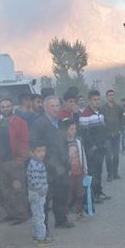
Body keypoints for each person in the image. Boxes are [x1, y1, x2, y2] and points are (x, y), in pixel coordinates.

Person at [31, 96, 74, 229]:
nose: (56, 108)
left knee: (61, 194)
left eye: (57, 105)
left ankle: (60, 220)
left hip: (62, 166)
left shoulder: (61, 123)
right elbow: (34, 145)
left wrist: (67, 159)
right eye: (52, 106)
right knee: (44, 200)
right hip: (46, 168)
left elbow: (64, 142)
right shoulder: (39, 124)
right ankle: (43, 228)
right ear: (45, 108)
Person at [0, 98, 29, 224]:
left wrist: (21, 158)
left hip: (15, 160)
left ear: (12, 107)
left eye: (8, 106)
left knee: (18, 190)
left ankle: (22, 214)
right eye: (3, 106)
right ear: (0, 109)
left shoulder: (20, 122)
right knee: (5, 189)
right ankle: (11, 213)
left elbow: (24, 141)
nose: (5, 108)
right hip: (2, 162)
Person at [79, 90, 110, 203]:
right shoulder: (85, 114)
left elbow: (103, 128)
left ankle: (98, 191)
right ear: (90, 100)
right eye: (94, 100)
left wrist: (104, 142)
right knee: (92, 172)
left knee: (99, 171)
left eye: (98, 99)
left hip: (101, 147)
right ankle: (92, 195)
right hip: (92, 149)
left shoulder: (100, 112)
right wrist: (92, 145)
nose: (97, 102)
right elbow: (84, 132)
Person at [61, 119, 87, 221]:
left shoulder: (78, 141)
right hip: (69, 173)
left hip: (79, 171)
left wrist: (85, 169)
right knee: (68, 194)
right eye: (71, 129)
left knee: (80, 193)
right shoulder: (63, 143)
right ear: (65, 130)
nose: (74, 131)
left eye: (75, 129)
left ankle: (79, 212)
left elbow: (83, 155)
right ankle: (65, 213)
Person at [27, 141, 51, 246]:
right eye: (38, 151)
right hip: (38, 194)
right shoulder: (36, 165)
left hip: (34, 193)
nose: (42, 153)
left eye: (43, 151)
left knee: (36, 215)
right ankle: (41, 238)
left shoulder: (36, 162)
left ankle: (37, 235)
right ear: (32, 153)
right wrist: (43, 190)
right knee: (40, 216)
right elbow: (36, 182)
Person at [101, 90, 123, 181]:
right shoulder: (103, 108)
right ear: (107, 97)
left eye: (113, 95)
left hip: (117, 135)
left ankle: (115, 173)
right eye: (109, 95)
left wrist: (120, 130)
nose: (111, 97)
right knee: (108, 156)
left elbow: (122, 119)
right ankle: (109, 174)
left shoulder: (118, 107)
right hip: (107, 135)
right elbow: (101, 122)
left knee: (116, 155)